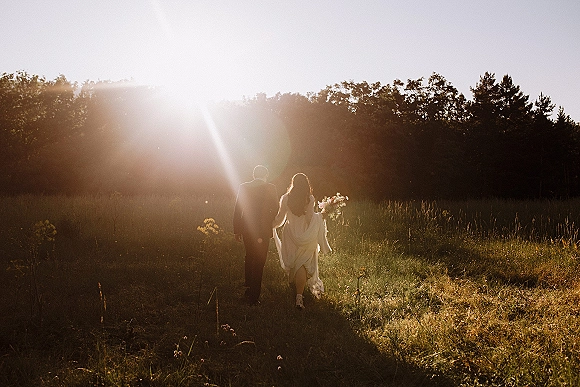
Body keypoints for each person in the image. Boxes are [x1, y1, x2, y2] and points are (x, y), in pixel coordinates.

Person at [273, 173, 331, 310]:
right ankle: (299, 296)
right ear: (306, 184)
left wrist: (271, 225)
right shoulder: (309, 198)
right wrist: (321, 216)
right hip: (305, 234)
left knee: (294, 262)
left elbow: (280, 219)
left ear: (293, 183)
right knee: (302, 264)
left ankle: (294, 290)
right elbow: (310, 218)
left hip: (290, 234)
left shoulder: (285, 198)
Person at [233, 165, 279, 305]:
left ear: (254, 175)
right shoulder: (271, 187)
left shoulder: (244, 187)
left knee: (249, 256)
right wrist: (269, 218)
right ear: (265, 175)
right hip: (263, 229)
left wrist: (237, 230)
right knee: (259, 261)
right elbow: (276, 207)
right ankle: (254, 296)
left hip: (247, 227)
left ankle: (248, 287)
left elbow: (238, 209)